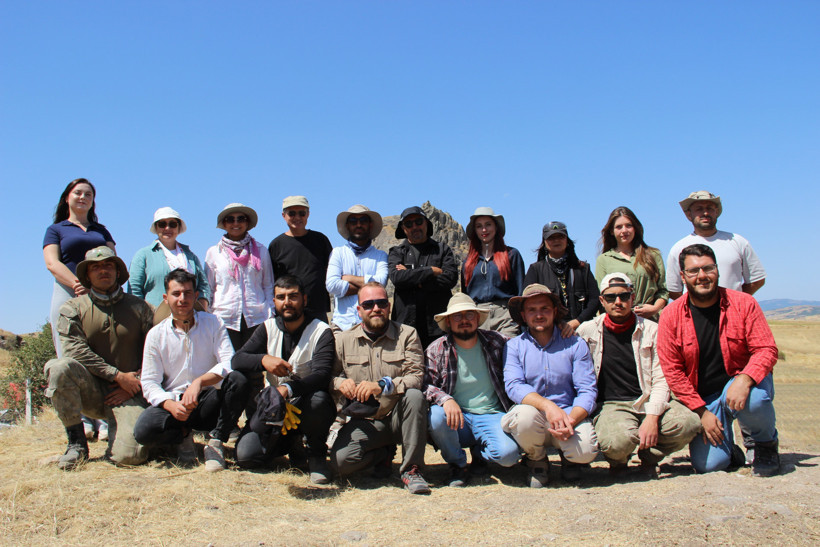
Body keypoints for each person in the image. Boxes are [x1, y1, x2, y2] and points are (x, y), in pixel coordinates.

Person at [658, 244, 780, 476]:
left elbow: (766, 349)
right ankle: (731, 451)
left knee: (755, 400)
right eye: (693, 271)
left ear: (717, 271)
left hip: (743, 386)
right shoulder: (670, 316)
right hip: (706, 398)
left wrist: (744, 380)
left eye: (708, 268)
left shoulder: (744, 303)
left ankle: (765, 445)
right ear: (683, 277)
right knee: (709, 465)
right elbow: (673, 372)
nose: (702, 276)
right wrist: (702, 413)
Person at [577, 274, 700, 475]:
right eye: (610, 297)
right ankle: (619, 461)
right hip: (612, 405)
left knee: (689, 422)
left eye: (624, 296)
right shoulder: (586, 331)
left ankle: (649, 457)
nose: (618, 302)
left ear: (632, 298)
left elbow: (662, 379)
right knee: (616, 443)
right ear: (601, 301)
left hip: (647, 399)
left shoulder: (653, 330)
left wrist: (652, 417)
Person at [43, 246, 154, 469]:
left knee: (129, 458)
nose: (102, 270)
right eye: (95, 267)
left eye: (108, 265)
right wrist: (116, 376)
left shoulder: (141, 308)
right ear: (87, 275)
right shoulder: (72, 308)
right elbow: (75, 351)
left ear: (118, 272)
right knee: (58, 367)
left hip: (129, 393)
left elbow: (158, 353)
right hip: (91, 390)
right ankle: (76, 443)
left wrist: (135, 381)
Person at [134, 269, 250, 472]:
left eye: (188, 293)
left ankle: (216, 442)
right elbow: (149, 381)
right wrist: (169, 404)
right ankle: (182, 435)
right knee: (143, 431)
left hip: (207, 401)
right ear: (166, 298)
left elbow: (229, 362)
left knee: (239, 380)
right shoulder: (155, 335)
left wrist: (199, 382)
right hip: (176, 404)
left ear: (196, 296)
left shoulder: (213, 323)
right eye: (176, 293)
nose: (182, 299)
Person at [231, 276, 336, 484]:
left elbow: (322, 374)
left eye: (293, 296)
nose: (287, 302)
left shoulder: (321, 330)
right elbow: (237, 360)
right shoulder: (267, 328)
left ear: (304, 300)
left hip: (305, 405)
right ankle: (289, 443)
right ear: (274, 302)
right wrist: (263, 359)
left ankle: (315, 454)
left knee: (319, 399)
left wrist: (289, 388)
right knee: (246, 457)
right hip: (273, 408)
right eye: (281, 297)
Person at [330, 282, 429, 494]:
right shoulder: (344, 340)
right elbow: (329, 376)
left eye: (381, 303)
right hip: (366, 421)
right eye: (368, 304)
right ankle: (382, 454)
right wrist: (340, 383)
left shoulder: (407, 334)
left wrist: (383, 386)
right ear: (359, 310)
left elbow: (416, 377)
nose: (376, 308)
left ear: (389, 306)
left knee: (414, 396)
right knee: (341, 462)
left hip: (399, 418)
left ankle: (412, 470)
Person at [501, 283, 599, 487]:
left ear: (555, 311)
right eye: (532, 310)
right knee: (522, 417)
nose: (539, 315)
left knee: (586, 452)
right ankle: (537, 460)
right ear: (523, 315)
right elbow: (514, 385)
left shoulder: (575, 344)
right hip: (535, 416)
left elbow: (587, 389)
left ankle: (569, 459)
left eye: (544, 309)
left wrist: (570, 420)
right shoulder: (514, 346)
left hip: (568, 415)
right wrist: (548, 406)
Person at [424, 293, 520, 486]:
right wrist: (446, 399)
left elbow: (526, 346)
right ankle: (458, 465)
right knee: (435, 416)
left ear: (478, 319)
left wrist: (560, 326)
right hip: (458, 420)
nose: (464, 321)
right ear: (448, 322)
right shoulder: (437, 349)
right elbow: (425, 384)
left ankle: (480, 454)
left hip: (492, 415)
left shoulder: (498, 342)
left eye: (469, 315)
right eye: (457, 316)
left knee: (508, 456)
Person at [43, 178, 115, 359]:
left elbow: (113, 260)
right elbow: (52, 263)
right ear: (67, 198)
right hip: (67, 291)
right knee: (68, 349)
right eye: (78, 193)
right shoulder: (55, 230)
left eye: (88, 194)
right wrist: (79, 285)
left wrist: (95, 289)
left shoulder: (101, 230)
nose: (83, 197)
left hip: (101, 295)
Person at [666, 191, 766, 300]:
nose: (705, 213)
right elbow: (673, 289)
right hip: (694, 316)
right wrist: (696, 305)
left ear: (716, 212)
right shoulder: (678, 248)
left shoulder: (738, 242)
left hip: (733, 313)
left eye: (710, 208)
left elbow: (757, 279)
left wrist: (735, 300)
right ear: (689, 214)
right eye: (699, 209)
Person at [388, 206, 458, 348]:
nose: (414, 226)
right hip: (405, 328)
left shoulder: (442, 250)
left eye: (418, 221)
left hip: (439, 327)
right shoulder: (396, 252)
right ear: (403, 228)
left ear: (426, 223)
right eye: (408, 224)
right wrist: (431, 270)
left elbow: (450, 279)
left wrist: (413, 279)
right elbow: (397, 278)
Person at [206, 203, 274, 350]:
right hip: (224, 319)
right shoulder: (214, 253)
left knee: (254, 366)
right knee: (229, 366)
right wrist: (210, 314)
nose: (235, 223)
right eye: (230, 219)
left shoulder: (261, 251)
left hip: (256, 318)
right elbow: (209, 288)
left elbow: (268, 284)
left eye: (240, 219)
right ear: (224, 224)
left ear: (247, 222)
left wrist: (271, 312)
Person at [523, 221, 599, 335]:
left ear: (567, 240)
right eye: (551, 238)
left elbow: (595, 300)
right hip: (548, 332)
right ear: (544, 242)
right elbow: (527, 303)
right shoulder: (535, 270)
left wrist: (577, 322)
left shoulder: (583, 269)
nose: (556, 240)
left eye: (560, 236)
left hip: (583, 330)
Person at [128, 206, 210, 310]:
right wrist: (144, 316)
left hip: (190, 320)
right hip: (154, 321)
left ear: (178, 227)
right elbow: (134, 290)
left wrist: (202, 308)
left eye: (172, 224)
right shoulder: (143, 255)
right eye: (162, 224)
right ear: (156, 228)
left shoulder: (191, 256)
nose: (167, 228)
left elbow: (204, 286)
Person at [460, 207, 525, 337]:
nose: (484, 230)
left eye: (488, 224)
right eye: (479, 226)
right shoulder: (468, 262)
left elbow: (520, 291)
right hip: (477, 317)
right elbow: (465, 294)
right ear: (475, 231)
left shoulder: (512, 255)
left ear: (496, 227)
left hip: (506, 316)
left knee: (507, 354)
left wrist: (520, 322)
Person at [595, 206, 668, 321]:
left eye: (628, 225)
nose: (624, 230)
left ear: (635, 228)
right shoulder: (604, 260)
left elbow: (663, 291)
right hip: (618, 322)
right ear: (612, 231)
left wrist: (654, 309)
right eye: (619, 227)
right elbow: (603, 295)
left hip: (651, 321)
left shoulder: (653, 255)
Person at [268, 196, 333, 320]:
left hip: (317, 309)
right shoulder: (276, 245)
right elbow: (271, 281)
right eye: (292, 213)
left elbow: (331, 270)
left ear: (308, 214)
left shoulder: (320, 240)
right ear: (283, 215)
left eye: (301, 213)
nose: (297, 217)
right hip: (288, 311)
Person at [325, 205, 388, 332]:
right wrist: (370, 289)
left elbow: (381, 283)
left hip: (373, 327)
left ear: (370, 225)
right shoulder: (338, 253)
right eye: (353, 221)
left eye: (363, 221)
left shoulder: (380, 255)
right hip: (342, 326)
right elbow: (331, 285)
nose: (358, 225)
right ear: (348, 225)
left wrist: (349, 278)